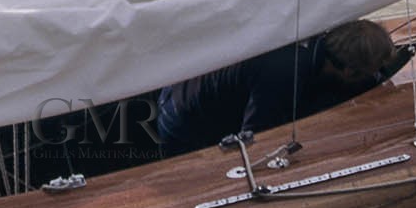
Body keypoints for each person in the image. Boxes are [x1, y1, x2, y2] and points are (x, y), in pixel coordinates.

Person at [156, 18, 397, 157]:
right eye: (369, 72)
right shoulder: (284, 75)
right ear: (348, 70)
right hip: (183, 123)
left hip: (181, 85)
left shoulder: (315, 30)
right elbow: (258, 139)